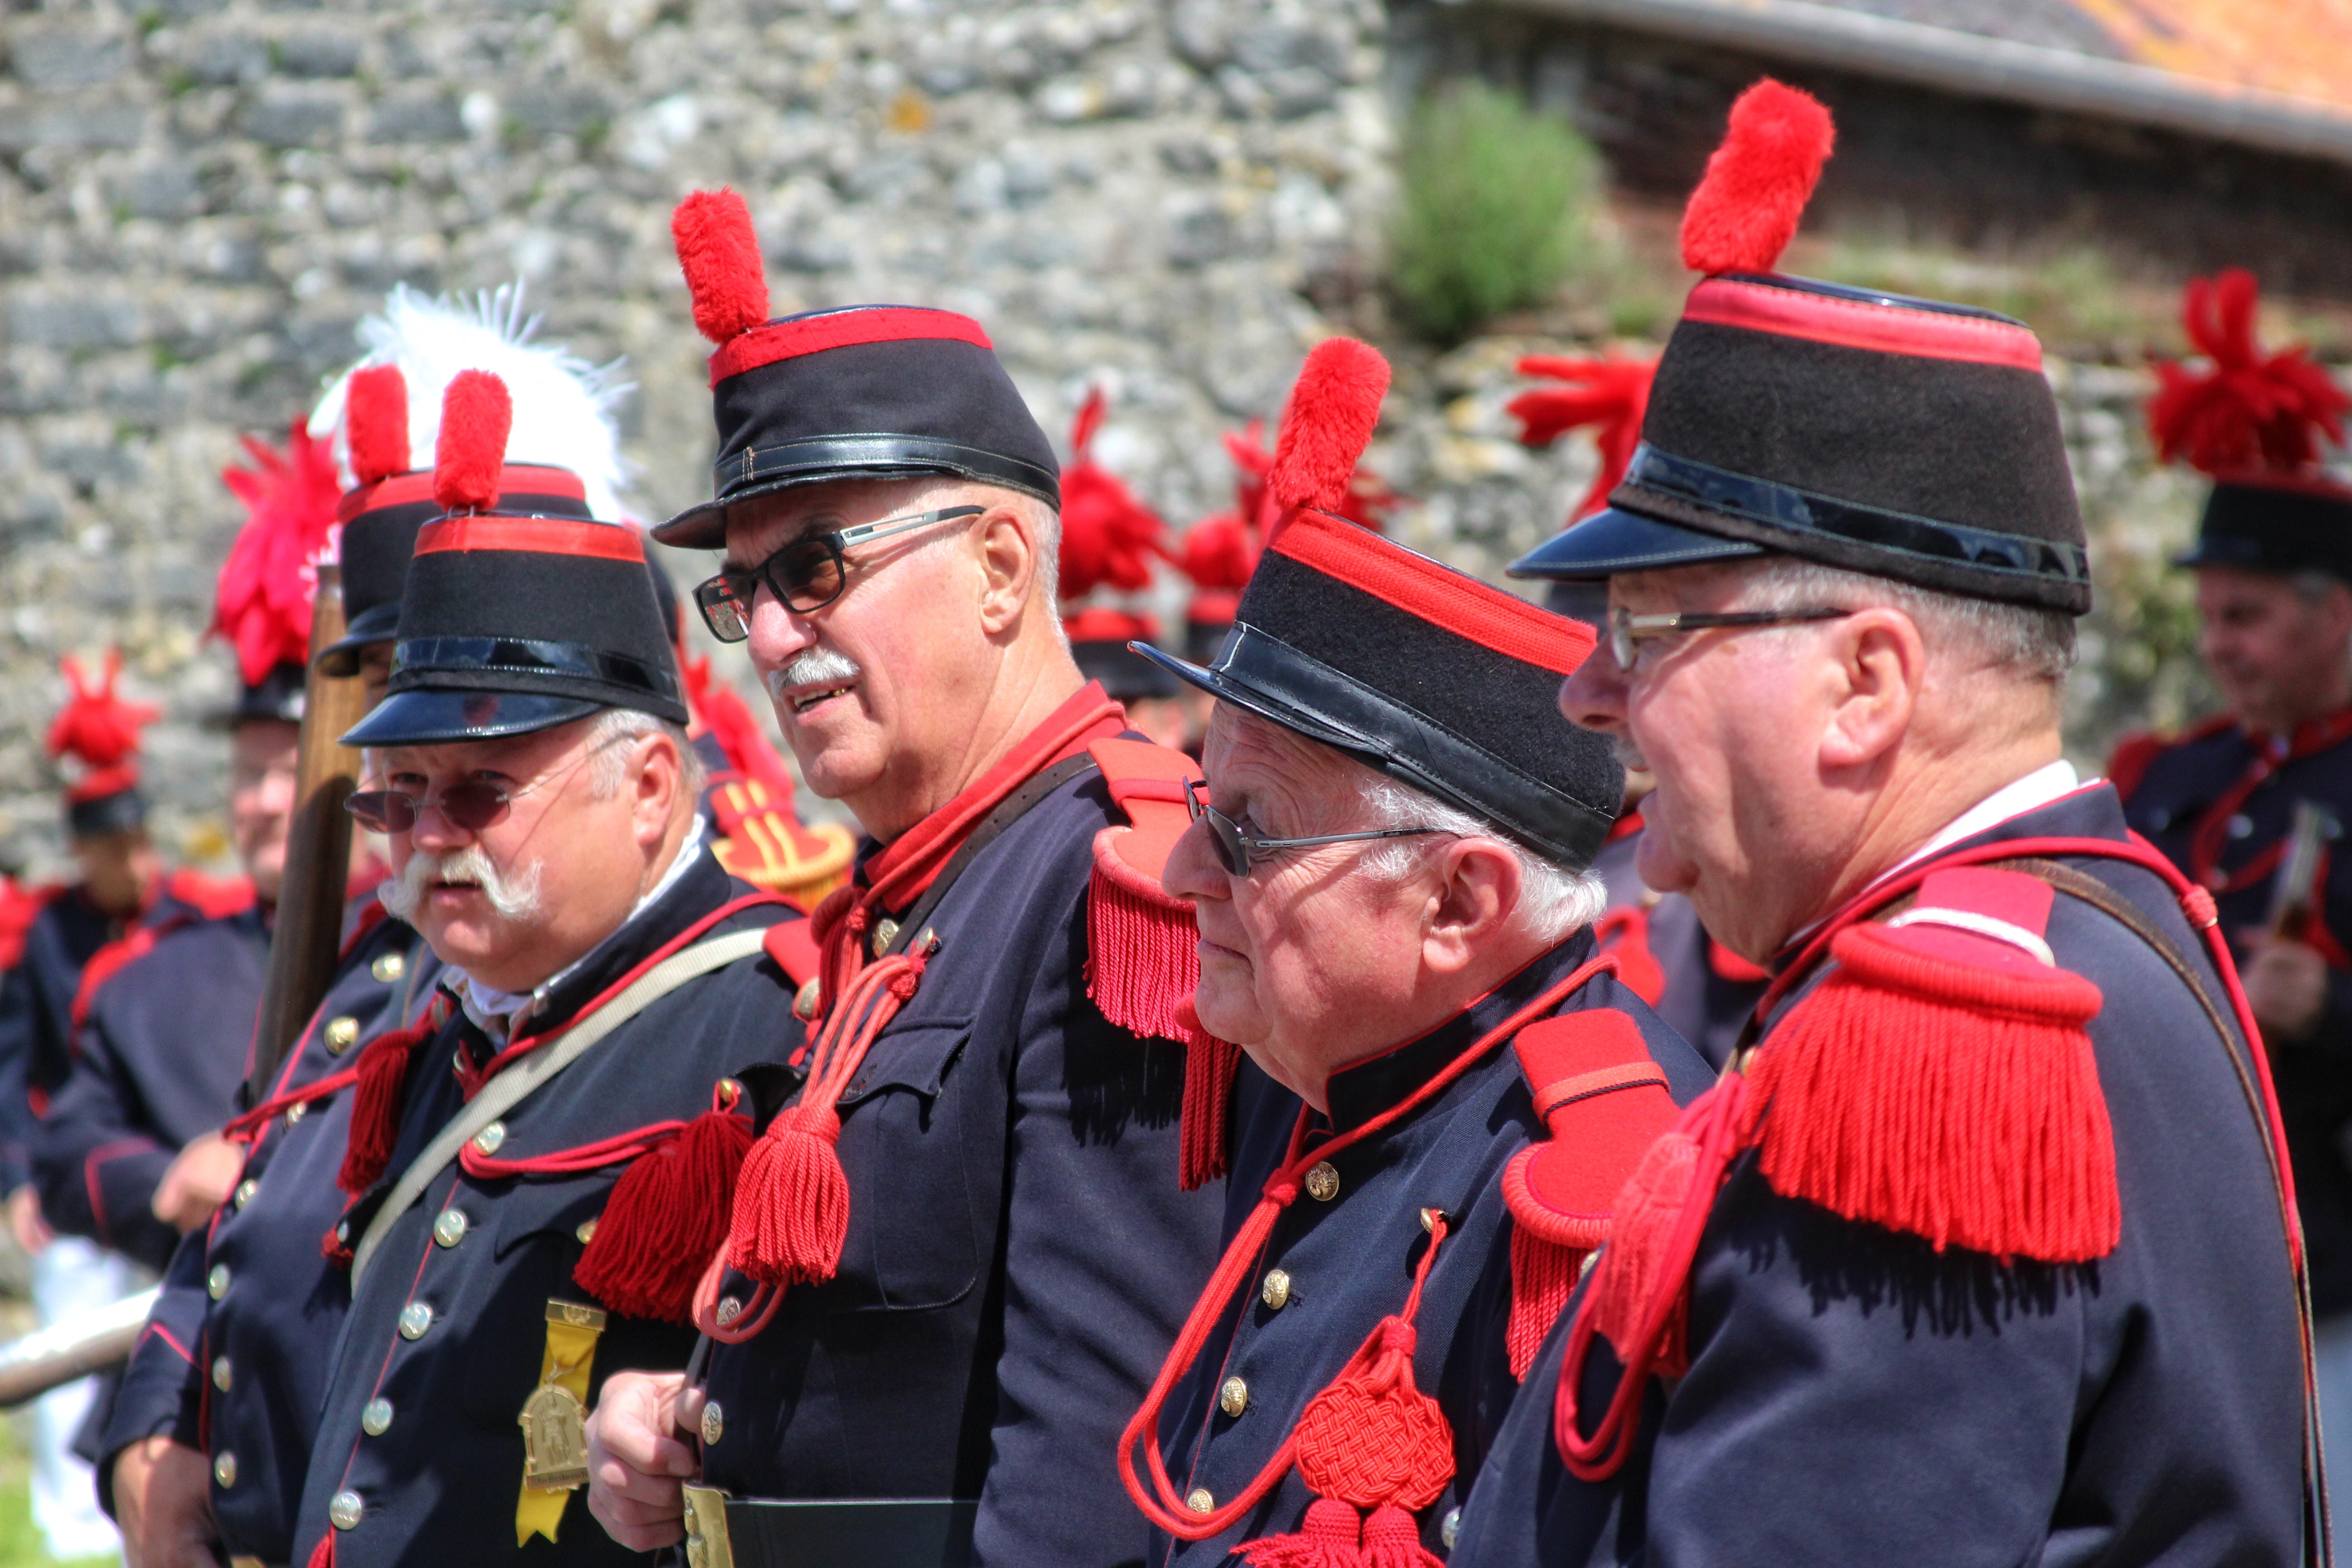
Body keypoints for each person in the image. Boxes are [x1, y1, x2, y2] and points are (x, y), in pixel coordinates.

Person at [1451, 79, 2313, 1564]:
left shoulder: (1936, 1040)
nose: (1587, 696)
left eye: (1649, 632)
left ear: (1864, 680)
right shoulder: (2087, 912)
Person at [582, 189, 1223, 1568]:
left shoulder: (1118, 887)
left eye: (813, 568)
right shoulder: (909, 893)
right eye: (741, 591)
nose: (765, 630)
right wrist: (677, 1407)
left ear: (1000, 569)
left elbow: (1097, 1472)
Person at [1115, 339, 1712, 1563]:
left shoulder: (1592, 1181)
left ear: (1458, 902)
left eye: (1248, 832)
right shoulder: (1332, 1070)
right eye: (1198, 810)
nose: (1183, 877)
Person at [103, 284, 651, 1568]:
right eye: (388, 682)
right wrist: (160, 1422)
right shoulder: (383, 961)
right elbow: (244, 1216)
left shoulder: (581, 943)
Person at [283, 370, 807, 1566]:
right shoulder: (453, 1030)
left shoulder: (768, 1026)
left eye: (481, 791)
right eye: (404, 796)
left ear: (650, 789)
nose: (427, 838)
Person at [2109, 265, 2352, 1518]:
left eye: (2247, 616)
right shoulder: (2173, 775)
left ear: (2338, 616)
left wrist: (2332, 1015)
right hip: (2158, 1251)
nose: (2219, 645)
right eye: (2207, 615)